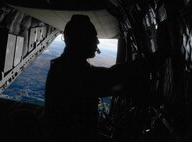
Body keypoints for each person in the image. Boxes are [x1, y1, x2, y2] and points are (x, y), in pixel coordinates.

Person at [45, 14, 149, 142]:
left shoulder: (63, 66)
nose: (98, 42)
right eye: (93, 37)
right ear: (81, 41)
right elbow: (110, 77)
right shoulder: (71, 72)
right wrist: (152, 62)